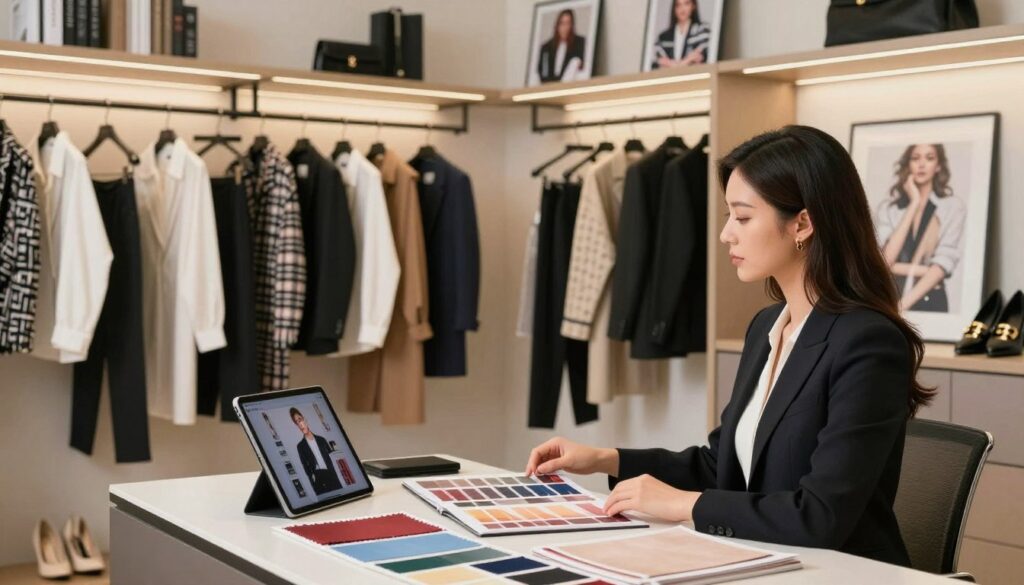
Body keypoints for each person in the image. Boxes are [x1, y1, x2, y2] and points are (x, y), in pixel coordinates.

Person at [525, 126, 933, 567]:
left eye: (742, 217)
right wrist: (605, 459)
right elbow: (721, 465)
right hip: (763, 562)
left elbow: (820, 516)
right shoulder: (766, 328)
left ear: (802, 223)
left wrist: (683, 504)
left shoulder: (868, 343)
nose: (725, 235)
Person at [875, 144, 965, 312]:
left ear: (938, 166)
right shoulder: (889, 209)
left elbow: (942, 264)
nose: (922, 164)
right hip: (891, 296)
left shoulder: (952, 207)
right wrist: (914, 203)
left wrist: (899, 307)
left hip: (929, 300)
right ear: (908, 164)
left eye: (929, 158)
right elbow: (885, 261)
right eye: (915, 158)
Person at [290, 407, 343, 495]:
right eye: (297, 422)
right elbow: (305, 467)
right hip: (318, 478)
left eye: (300, 420)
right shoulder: (300, 446)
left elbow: (333, 458)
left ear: (305, 419)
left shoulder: (322, 440)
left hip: (331, 474)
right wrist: (312, 479)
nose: (300, 424)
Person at [651, 0, 710, 69]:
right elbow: (660, 62)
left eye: (686, 4)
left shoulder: (701, 30)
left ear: (693, 6)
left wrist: (675, 65)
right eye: (678, 5)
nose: (682, 9)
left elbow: (699, 57)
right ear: (674, 8)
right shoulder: (663, 37)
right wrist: (687, 61)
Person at [537, 9, 587, 83]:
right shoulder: (546, 48)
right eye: (562, 23)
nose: (565, 28)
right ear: (557, 25)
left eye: (568, 23)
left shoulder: (580, 43)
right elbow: (543, 72)